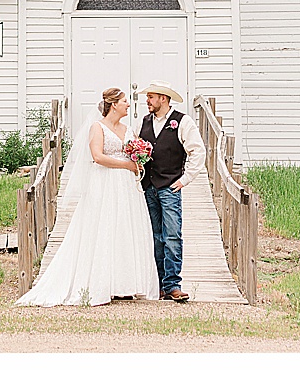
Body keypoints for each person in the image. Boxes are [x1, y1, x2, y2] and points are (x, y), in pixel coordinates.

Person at [17, 86, 160, 306]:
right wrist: (127, 165)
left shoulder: (129, 129)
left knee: (124, 228)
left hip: (127, 187)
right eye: (124, 102)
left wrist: (139, 161)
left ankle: (124, 284)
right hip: (104, 183)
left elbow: (133, 152)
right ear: (114, 104)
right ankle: (102, 282)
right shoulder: (97, 127)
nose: (128, 105)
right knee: (104, 228)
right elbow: (97, 156)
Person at [138, 81, 205, 302]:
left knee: (173, 236)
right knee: (155, 237)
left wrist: (185, 180)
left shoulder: (183, 121)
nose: (147, 101)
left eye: (151, 97)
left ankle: (173, 284)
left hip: (169, 187)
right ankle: (158, 285)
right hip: (149, 187)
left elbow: (197, 152)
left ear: (163, 99)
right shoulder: (145, 122)